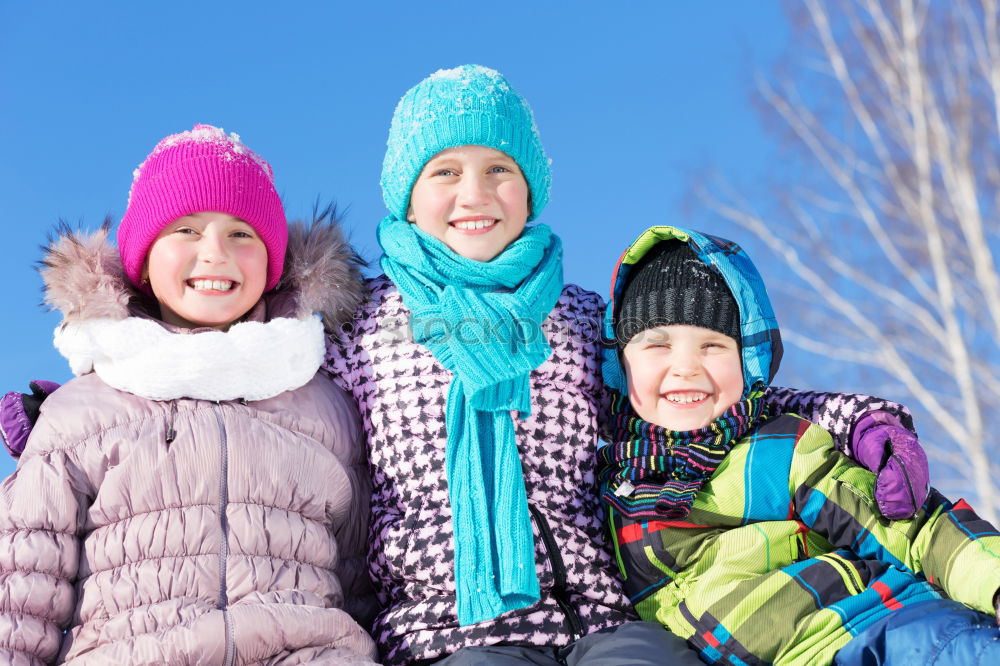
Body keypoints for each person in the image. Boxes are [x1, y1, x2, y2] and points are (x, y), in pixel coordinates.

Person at [323, 64, 930, 665]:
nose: (475, 193)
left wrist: (859, 421)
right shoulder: (363, 326)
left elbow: (720, 396)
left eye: (499, 169)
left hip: (607, 615)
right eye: (445, 172)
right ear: (407, 194)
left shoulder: (587, 320)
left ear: (530, 188)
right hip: (450, 630)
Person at [0, 125, 379, 664]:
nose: (215, 253)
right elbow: (20, 588)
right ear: (144, 262)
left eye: (241, 234)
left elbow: (359, 576)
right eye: (185, 230)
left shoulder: (322, 406)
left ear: (272, 266)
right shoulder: (81, 413)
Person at [598, 225, 1000, 665]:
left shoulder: (775, 453)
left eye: (712, 346)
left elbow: (914, 530)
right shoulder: (606, 483)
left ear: (748, 361)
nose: (686, 368)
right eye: (657, 345)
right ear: (619, 364)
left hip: (878, 633)